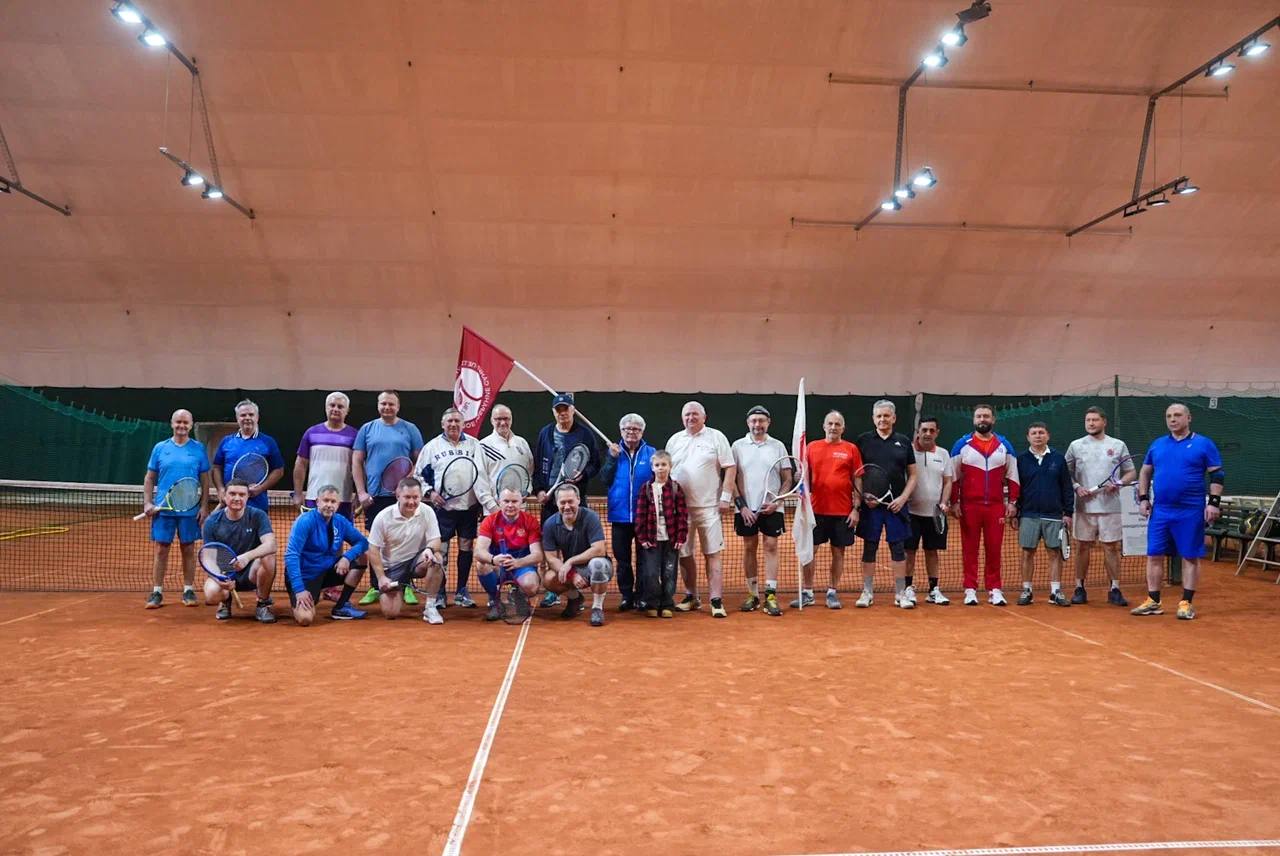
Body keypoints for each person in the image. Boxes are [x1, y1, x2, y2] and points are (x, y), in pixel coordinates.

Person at [1131, 403, 1224, 621]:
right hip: (1161, 511)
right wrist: (1143, 498)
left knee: (1190, 556)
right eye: (1169, 416)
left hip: (1190, 511)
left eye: (1177, 415)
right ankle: (1153, 601)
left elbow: (1217, 475)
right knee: (1154, 555)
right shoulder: (1158, 444)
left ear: (1188, 418)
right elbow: (1145, 472)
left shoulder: (1204, 444)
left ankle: (1186, 603)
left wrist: (1213, 503)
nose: (1173, 419)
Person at [415, 407, 497, 609]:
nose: (453, 424)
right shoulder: (432, 447)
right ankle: (440, 592)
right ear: (443, 424)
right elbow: (418, 476)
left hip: (469, 508)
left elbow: (482, 474)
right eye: (449, 421)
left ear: (463, 424)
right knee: (440, 551)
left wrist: (484, 502)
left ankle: (461, 591)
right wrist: (430, 494)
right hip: (443, 510)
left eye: (457, 421)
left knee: (466, 547)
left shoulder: (474, 444)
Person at [352, 390, 424, 604]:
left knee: (407, 540)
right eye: (383, 403)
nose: (387, 407)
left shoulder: (410, 429)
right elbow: (357, 461)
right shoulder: (367, 429)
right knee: (378, 542)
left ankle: (407, 585)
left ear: (398, 406)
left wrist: (405, 487)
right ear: (378, 405)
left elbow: (420, 460)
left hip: (404, 498)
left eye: (391, 404)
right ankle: (376, 585)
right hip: (375, 497)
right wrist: (361, 492)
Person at [665, 401, 736, 619]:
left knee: (712, 553)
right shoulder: (674, 440)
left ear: (704, 417)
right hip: (680, 510)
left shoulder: (716, 437)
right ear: (682, 418)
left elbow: (730, 467)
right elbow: (666, 471)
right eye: (687, 414)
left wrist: (726, 497)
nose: (690, 418)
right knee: (684, 554)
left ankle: (716, 600)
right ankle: (691, 596)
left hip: (710, 508)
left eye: (695, 414)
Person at [531, 392, 602, 607]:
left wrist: (584, 474)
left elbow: (595, 464)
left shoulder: (585, 434)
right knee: (549, 546)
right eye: (558, 410)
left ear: (573, 411)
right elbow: (538, 465)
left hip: (573, 500)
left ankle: (574, 585)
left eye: (566, 409)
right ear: (554, 412)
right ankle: (553, 592)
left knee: (576, 545)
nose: (562, 413)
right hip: (551, 501)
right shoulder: (545, 433)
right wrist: (539, 490)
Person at [1064, 406, 1136, 606]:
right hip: (1083, 507)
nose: (1091, 423)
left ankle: (1115, 589)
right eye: (1088, 420)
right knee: (1082, 547)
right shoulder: (1075, 446)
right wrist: (1077, 487)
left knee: (1111, 547)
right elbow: (1065, 473)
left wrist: (1119, 483)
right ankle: (1079, 588)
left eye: (1095, 420)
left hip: (1111, 507)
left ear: (1104, 422)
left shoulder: (1118, 445)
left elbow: (1131, 472)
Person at [140, 409, 212, 608]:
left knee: (188, 548)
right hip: (163, 509)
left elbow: (205, 481)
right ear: (172, 424)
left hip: (190, 508)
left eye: (185, 422)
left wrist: (204, 506)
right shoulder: (160, 448)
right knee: (161, 550)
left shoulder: (198, 448)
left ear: (191, 425)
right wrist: (147, 503)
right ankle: (157, 592)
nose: (181, 426)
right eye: (178, 422)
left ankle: (188, 590)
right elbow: (149, 478)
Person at [950, 404, 1019, 606]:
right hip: (969, 506)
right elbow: (953, 477)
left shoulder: (1004, 445)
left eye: (986, 416)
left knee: (994, 549)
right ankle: (970, 589)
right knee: (969, 549)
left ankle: (994, 589)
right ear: (974, 420)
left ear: (993, 419)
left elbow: (1013, 475)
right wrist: (954, 502)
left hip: (996, 507)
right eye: (979, 416)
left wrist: (1012, 502)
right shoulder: (961, 445)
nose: (982, 419)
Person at [854, 400, 918, 609]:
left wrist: (902, 498)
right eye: (879, 416)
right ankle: (867, 592)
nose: (883, 419)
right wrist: (863, 497)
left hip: (896, 506)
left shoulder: (904, 442)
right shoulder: (863, 441)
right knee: (869, 548)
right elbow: (857, 474)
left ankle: (900, 593)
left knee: (898, 549)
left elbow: (913, 475)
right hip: (871, 506)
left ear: (894, 418)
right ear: (873, 419)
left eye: (886, 416)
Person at [731, 406, 791, 617]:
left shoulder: (778, 446)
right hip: (746, 509)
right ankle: (753, 594)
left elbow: (787, 479)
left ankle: (771, 595)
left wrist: (776, 502)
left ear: (768, 423)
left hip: (772, 507)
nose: (758, 424)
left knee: (771, 546)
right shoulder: (737, 446)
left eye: (761, 421)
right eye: (754, 421)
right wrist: (742, 506)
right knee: (749, 547)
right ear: (748, 423)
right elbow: (731, 479)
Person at [283, 484, 370, 624]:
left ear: (338, 504)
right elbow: (291, 555)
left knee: (362, 556)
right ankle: (305, 595)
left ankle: (341, 607)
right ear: (317, 502)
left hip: (327, 570)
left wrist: (347, 557)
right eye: (325, 500)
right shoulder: (305, 521)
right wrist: (299, 590)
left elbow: (363, 542)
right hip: (306, 576)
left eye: (333, 501)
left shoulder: (340, 521)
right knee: (305, 618)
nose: (329, 505)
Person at [802, 410, 862, 610]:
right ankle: (808, 592)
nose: (833, 427)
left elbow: (858, 480)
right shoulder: (811, 447)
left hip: (842, 512)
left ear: (843, 428)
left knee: (838, 553)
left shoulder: (851, 449)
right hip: (815, 511)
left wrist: (856, 509)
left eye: (837, 424)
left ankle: (832, 592)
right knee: (809, 552)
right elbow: (804, 476)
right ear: (824, 426)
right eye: (830, 423)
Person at [366, 477, 446, 623]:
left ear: (421, 496)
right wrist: (381, 577)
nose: (411, 502)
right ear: (398, 496)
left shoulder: (427, 511)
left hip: (416, 562)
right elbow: (373, 549)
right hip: (392, 567)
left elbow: (435, 540)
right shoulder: (383, 517)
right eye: (407, 497)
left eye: (415, 497)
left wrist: (429, 549)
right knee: (390, 613)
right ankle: (399, 588)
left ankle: (430, 607)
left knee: (436, 558)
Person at [200, 478, 277, 623]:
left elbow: (271, 545)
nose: (237, 498)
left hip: (252, 572)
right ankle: (225, 601)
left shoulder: (258, 515)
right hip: (225, 574)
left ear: (248, 497)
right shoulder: (212, 522)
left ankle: (263, 603)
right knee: (211, 594)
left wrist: (247, 557)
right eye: (232, 494)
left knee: (269, 556)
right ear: (224, 496)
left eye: (242, 495)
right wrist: (219, 579)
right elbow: (208, 558)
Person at [1013, 423, 1074, 607]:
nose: (1038, 436)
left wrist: (1068, 512)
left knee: (1054, 552)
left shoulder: (1058, 459)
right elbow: (1016, 488)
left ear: (1048, 436)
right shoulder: (1020, 460)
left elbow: (1067, 487)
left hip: (1053, 515)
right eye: (1034, 433)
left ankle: (1055, 592)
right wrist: (1016, 512)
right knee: (1027, 552)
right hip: (1028, 514)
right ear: (1028, 437)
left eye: (1041, 432)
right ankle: (1027, 590)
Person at [601, 413, 656, 611]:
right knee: (622, 560)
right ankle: (626, 596)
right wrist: (611, 458)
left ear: (642, 432)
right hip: (619, 516)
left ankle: (641, 596)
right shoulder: (613, 452)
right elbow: (605, 479)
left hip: (644, 517)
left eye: (636, 429)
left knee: (644, 560)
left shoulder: (651, 453)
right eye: (627, 429)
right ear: (621, 431)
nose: (631, 432)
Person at [541, 485, 613, 626]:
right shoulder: (550, 524)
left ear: (578, 500)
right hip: (573, 570)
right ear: (556, 503)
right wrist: (571, 575)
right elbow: (551, 558)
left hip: (597, 566)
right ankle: (575, 599)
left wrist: (570, 561)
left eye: (571, 501)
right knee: (548, 579)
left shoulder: (591, 517)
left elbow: (599, 550)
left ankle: (597, 608)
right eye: (563, 502)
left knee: (598, 564)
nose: (567, 506)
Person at [473, 488, 546, 621]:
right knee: (481, 565)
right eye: (506, 501)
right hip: (498, 564)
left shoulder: (530, 521)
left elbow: (538, 555)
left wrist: (517, 562)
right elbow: (478, 551)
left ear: (521, 503)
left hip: (521, 565)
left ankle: (518, 594)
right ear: (499, 502)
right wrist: (494, 559)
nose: (510, 505)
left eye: (514, 501)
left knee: (531, 586)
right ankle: (495, 601)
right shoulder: (489, 521)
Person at [634, 450, 688, 618]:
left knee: (669, 573)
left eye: (664, 465)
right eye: (657, 465)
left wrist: (681, 537)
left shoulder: (676, 488)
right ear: (652, 467)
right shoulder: (646, 489)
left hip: (671, 540)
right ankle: (652, 603)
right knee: (650, 573)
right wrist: (642, 537)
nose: (660, 468)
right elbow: (640, 515)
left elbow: (682, 515)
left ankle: (667, 604)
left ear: (670, 467)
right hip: (651, 540)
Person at [904, 416, 952, 605]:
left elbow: (948, 481)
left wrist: (944, 502)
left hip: (934, 514)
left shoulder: (943, 454)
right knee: (909, 551)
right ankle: (907, 588)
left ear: (937, 433)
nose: (927, 434)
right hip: (910, 513)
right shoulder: (908, 452)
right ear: (918, 431)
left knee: (932, 552)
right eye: (924, 430)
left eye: (932, 430)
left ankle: (933, 590)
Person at [292, 391, 359, 518]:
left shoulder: (355, 435)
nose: (335, 409)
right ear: (326, 407)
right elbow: (301, 464)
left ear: (347, 410)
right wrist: (298, 493)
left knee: (340, 531)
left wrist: (358, 495)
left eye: (340, 406)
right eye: (332, 405)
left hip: (343, 500)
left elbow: (359, 467)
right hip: (314, 498)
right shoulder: (311, 433)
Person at [211, 399, 286, 512]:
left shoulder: (268, 442)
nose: (247, 418)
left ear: (257, 417)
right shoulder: (226, 441)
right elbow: (216, 467)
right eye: (243, 415)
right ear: (237, 418)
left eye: (251, 414)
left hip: (257, 505)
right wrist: (221, 490)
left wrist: (260, 488)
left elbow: (279, 470)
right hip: (229, 504)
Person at [479, 403, 534, 479]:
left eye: (506, 419)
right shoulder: (483, 446)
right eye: (498, 419)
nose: (503, 423)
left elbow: (530, 471)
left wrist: (527, 486)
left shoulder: (522, 443)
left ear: (511, 420)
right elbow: (480, 477)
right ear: (492, 421)